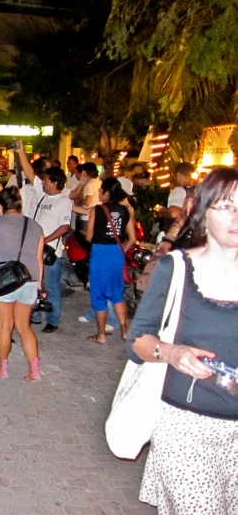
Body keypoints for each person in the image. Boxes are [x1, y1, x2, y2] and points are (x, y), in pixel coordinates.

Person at [128, 167, 238, 513]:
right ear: (203, 213)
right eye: (224, 206)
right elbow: (138, 340)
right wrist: (171, 352)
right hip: (185, 425)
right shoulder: (175, 268)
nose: (236, 216)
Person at [0, 187, 44, 381]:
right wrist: (40, 286)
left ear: (0, 206)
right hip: (30, 278)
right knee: (24, 326)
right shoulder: (35, 226)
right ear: (20, 205)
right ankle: (34, 371)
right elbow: (39, 258)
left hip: (5, 281)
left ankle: (2, 368)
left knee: (5, 326)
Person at [85, 178, 136, 343]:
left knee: (98, 294)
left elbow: (89, 236)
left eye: (101, 191)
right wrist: (121, 251)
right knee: (116, 293)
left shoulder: (96, 210)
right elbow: (132, 238)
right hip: (117, 253)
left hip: (100, 253)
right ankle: (125, 331)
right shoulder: (126, 210)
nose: (99, 194)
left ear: (107, 192)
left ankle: (101, 335)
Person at [28, 168, 72, 333]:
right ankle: (37, 315)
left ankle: (53, 319)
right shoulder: (43, 197)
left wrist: (45, 241)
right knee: (35, 282)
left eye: (45, 180)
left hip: (49, 252)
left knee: (51, 285)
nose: (43, 183)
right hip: (35, 248)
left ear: (54, 182)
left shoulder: (63, 201)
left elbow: (65, 226)